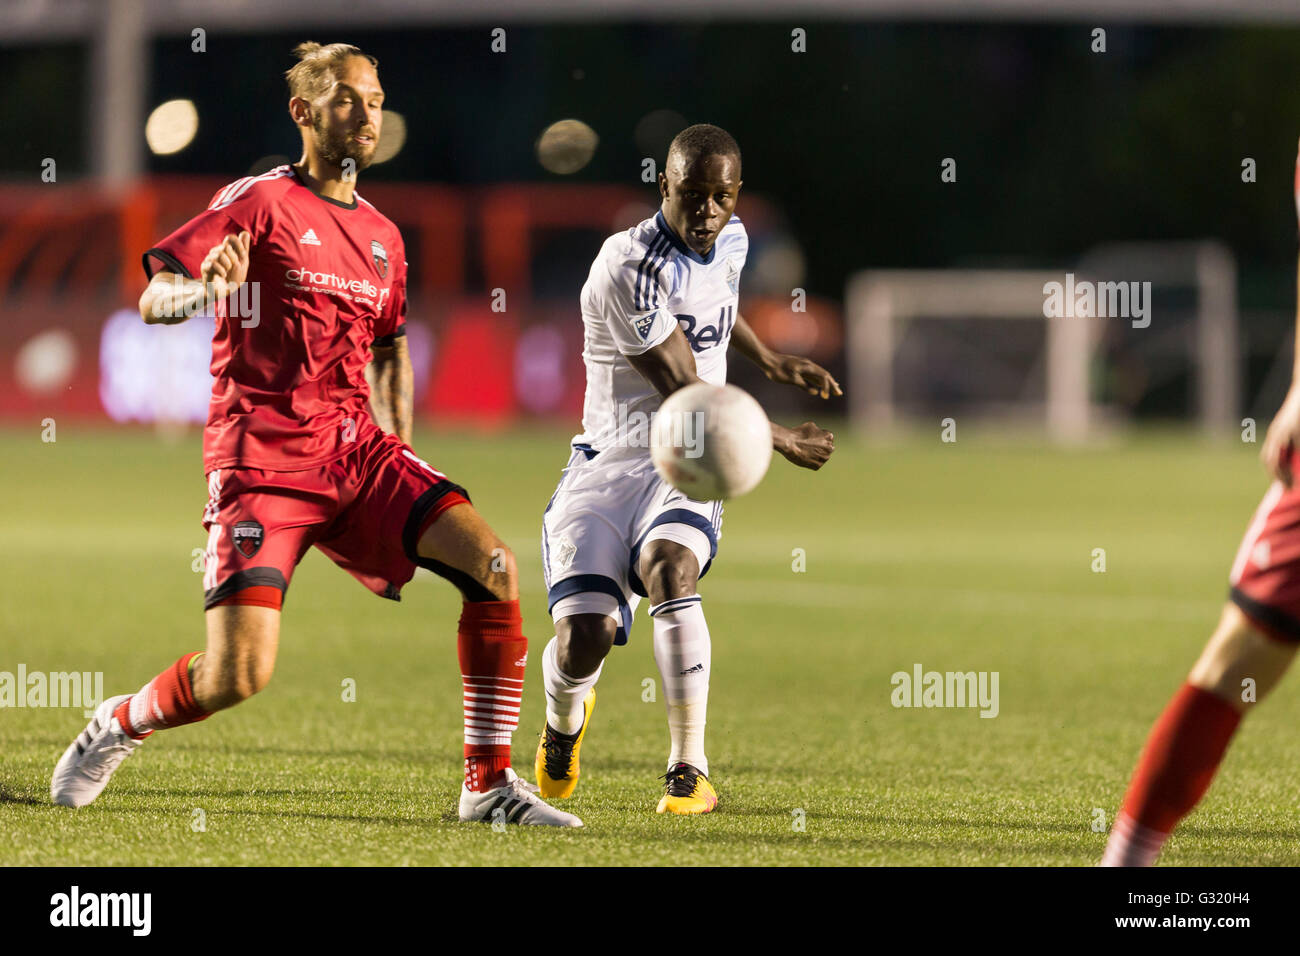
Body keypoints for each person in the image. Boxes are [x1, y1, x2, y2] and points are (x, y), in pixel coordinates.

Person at [51, 42, 579, 828]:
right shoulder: (259, 203)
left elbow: (392, 345)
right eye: (346, 100)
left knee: (495, 566)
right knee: (238, 675)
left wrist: (397, 441)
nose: (366, 114)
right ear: (303, 113)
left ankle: (487, 785)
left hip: (359, 454)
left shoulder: (384, 238)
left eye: (374, 99)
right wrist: (203, 290)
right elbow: (154, 296)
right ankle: (119, 723)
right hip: (260, 459)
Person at [534, 124, 840, 814]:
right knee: (585, 640)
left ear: (735, 196)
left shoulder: (730, 239)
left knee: (672, 565)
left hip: (686, 460)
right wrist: (781, 438)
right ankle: (562, 723)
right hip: (612, 460)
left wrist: (770, 360)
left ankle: (688, 768)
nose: (707, 211)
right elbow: (683, 389)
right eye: (693, 195)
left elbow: (718, 306)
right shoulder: (629, 265)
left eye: (721, 197)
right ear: (663, 186)